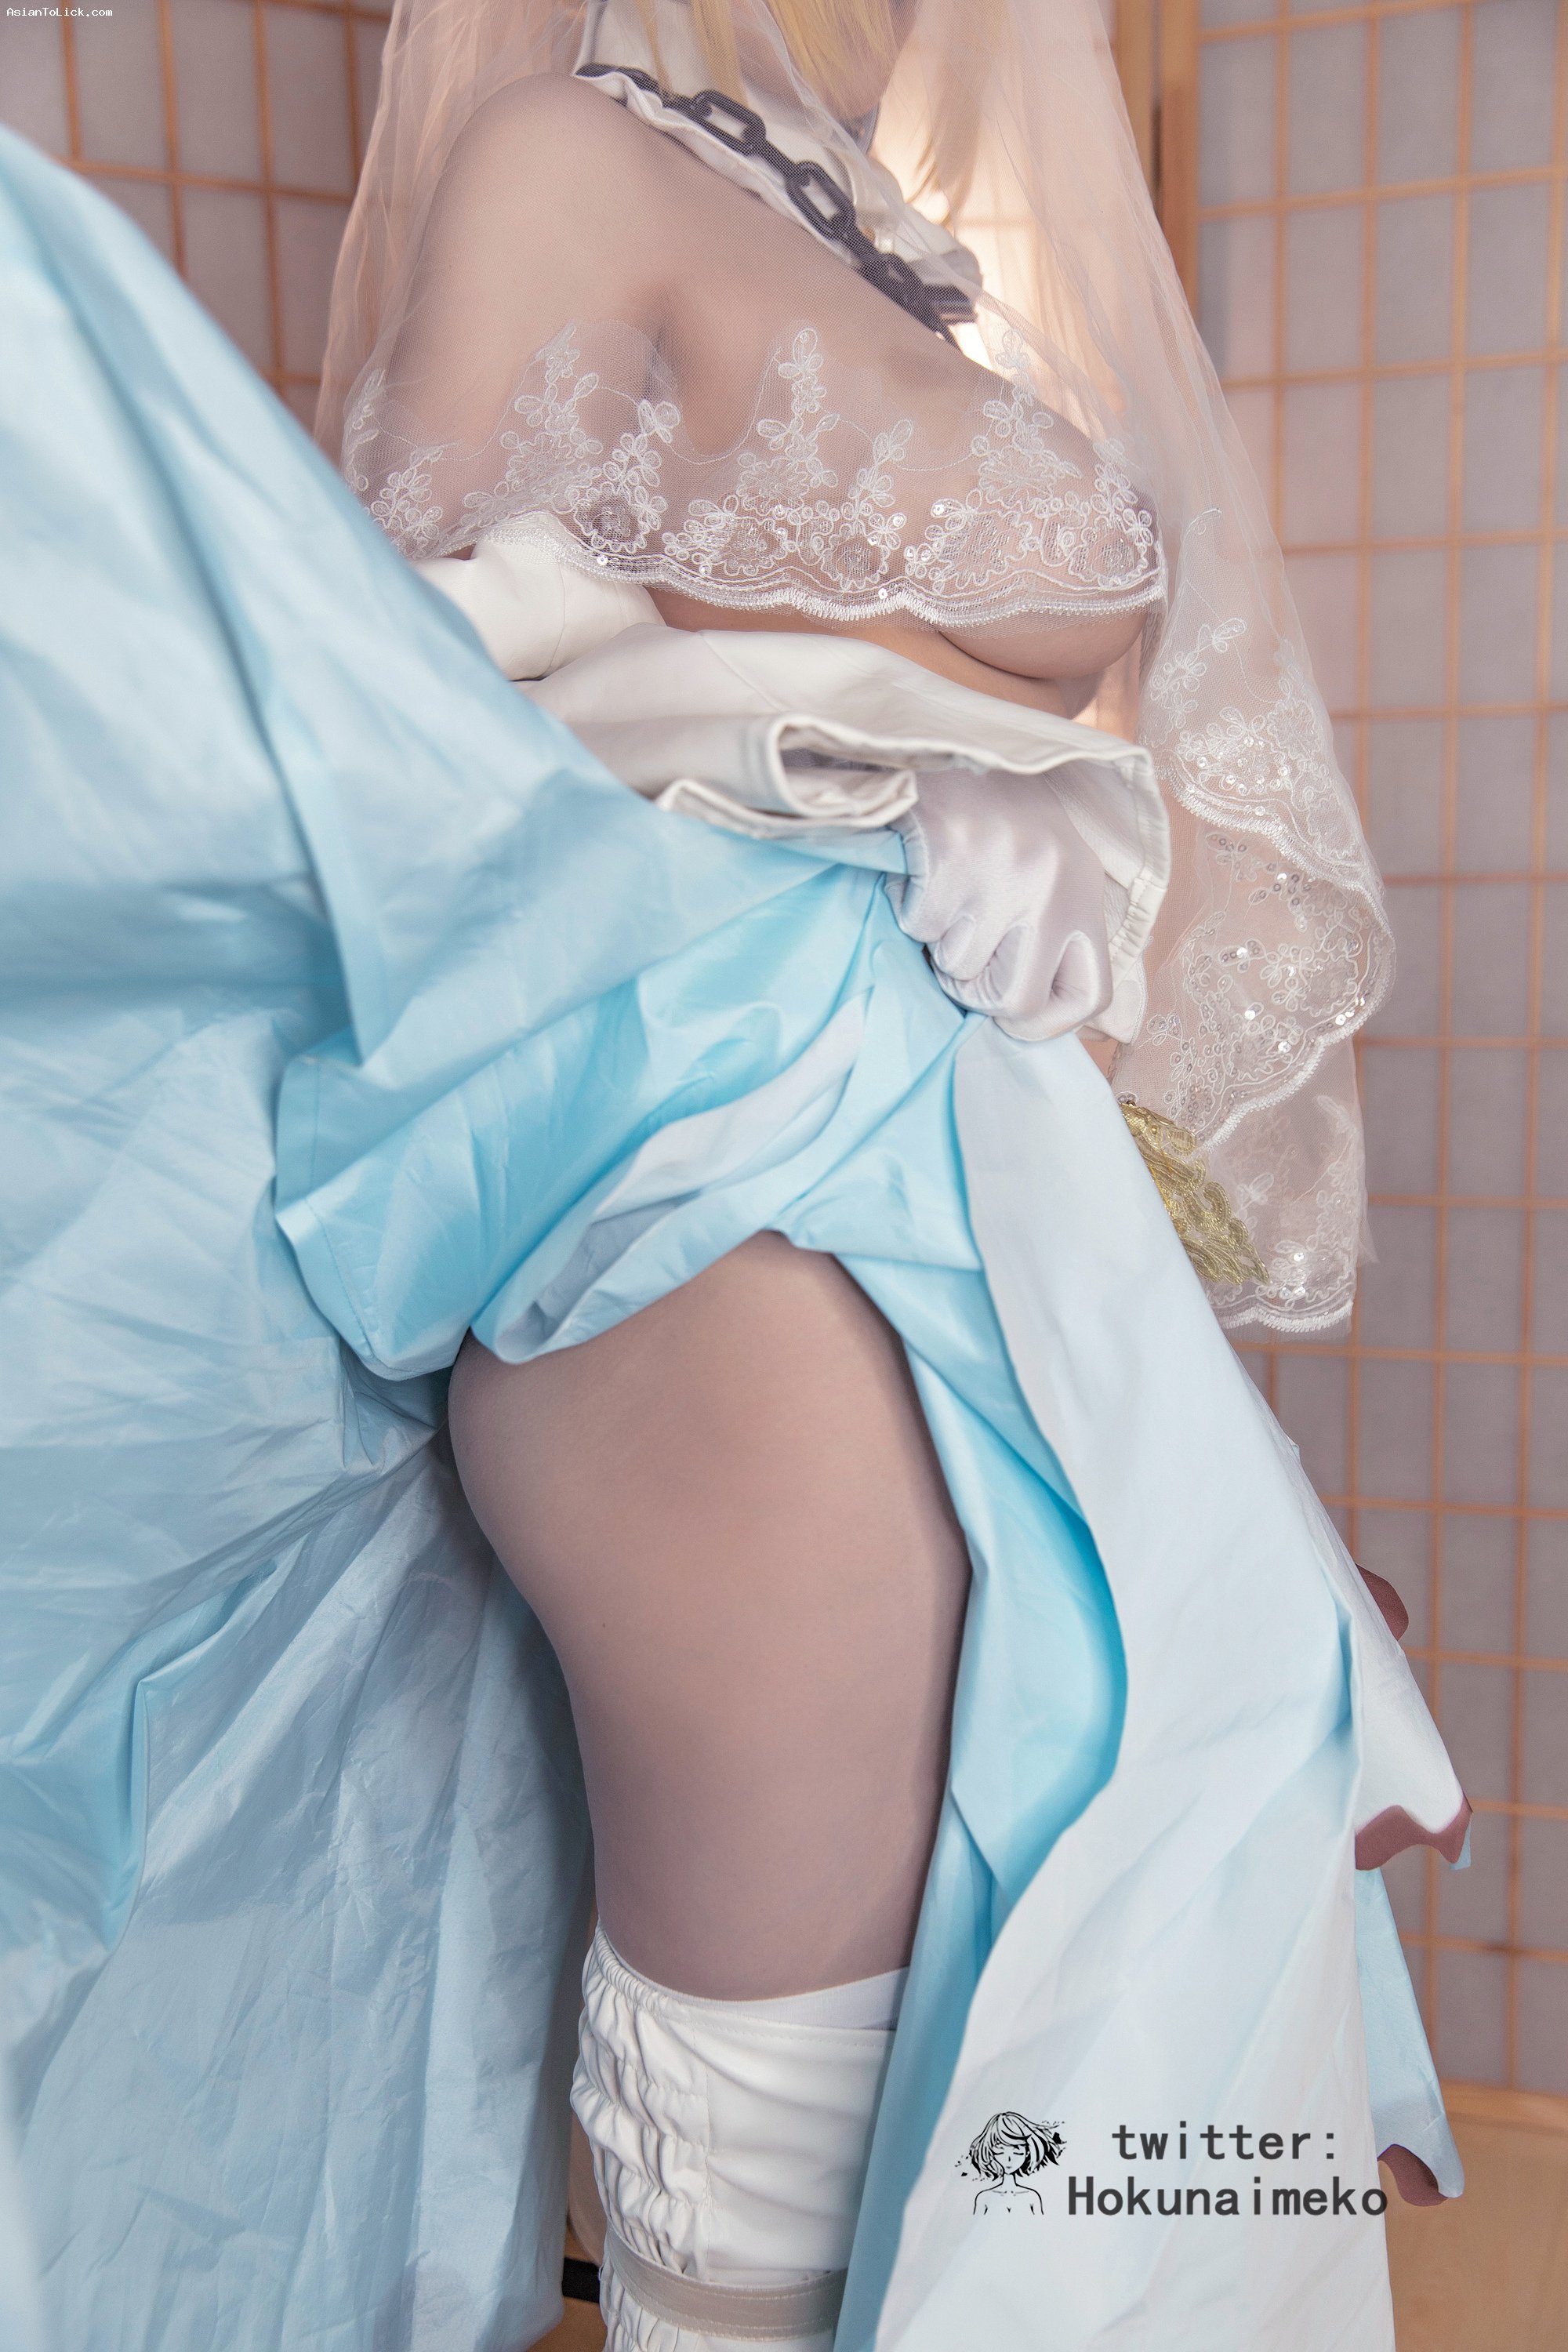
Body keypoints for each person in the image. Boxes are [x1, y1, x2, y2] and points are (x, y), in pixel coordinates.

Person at [0, 2, 1468, 2347]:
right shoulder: (554, 159)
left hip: (897, 1173)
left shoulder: (869, 227)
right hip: (725, 1215)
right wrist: (815, 734)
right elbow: (394, 712)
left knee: (1018, 2087)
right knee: (798, 2200)